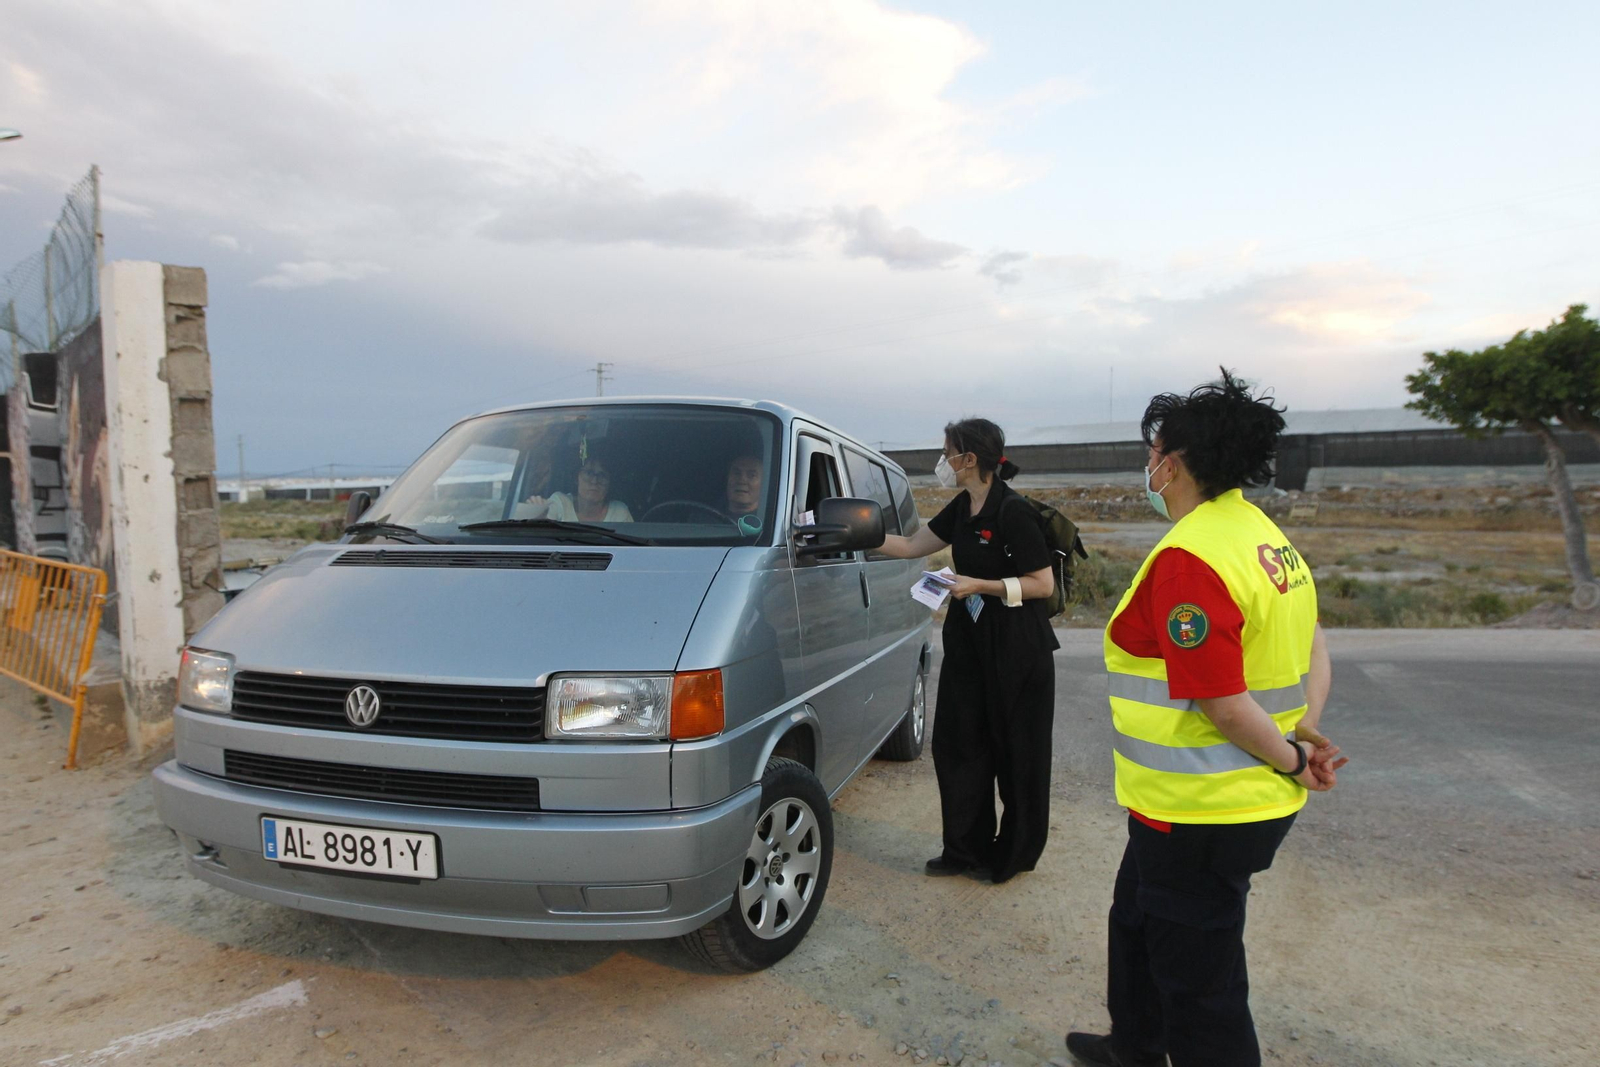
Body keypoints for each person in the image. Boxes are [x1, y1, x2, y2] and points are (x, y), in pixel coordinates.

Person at [1064, 370, 1348, 1067]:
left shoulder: (1194, 558)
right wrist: (1305, 726)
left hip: (1203, 810)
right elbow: (1314, 645)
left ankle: (1165, 1043)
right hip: (1191, 805)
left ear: (1174, 461)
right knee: (1134, 921)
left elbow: (1221, 702)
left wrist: (1290, 757)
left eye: (1153, 451)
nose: (1149, 466)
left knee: (1202, 986)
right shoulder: (1262, 536)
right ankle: (1133, 1044)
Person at [875, 417, 1059, 883]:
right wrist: (858, 538)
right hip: (970, 644)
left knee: (1018, 755)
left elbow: (1042, 584)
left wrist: (979, 584)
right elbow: (915, 544)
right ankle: (964, 849)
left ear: (969, 458)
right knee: (959, 746)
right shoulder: (961, 509)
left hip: (1018, 649)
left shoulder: (1013, 513)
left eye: (947, 452)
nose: (943, 461)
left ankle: (1011, 854)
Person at [524, 455, 634, 523]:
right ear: (577, 477)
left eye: (602, 475)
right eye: (589, 473)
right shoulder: (560, 502)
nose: (594, 481)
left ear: (610, 482)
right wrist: (538, 515)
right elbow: (543, 537)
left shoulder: (619, 512)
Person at [724, 452, 766, 535]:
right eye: (737, 473)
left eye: (751, 475)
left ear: (764, 483)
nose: (742, 480)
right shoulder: (703, 518)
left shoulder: (771, 525)